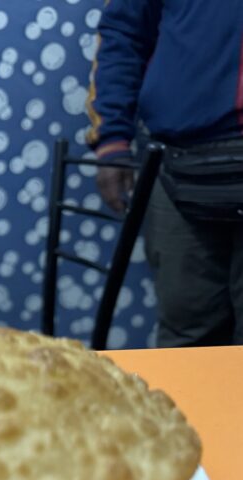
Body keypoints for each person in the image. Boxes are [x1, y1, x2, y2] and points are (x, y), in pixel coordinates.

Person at [86, 0, 243, 347]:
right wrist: (111, 140)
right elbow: (123, 33)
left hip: (183, 156)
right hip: (177, 162)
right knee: (188, 334)